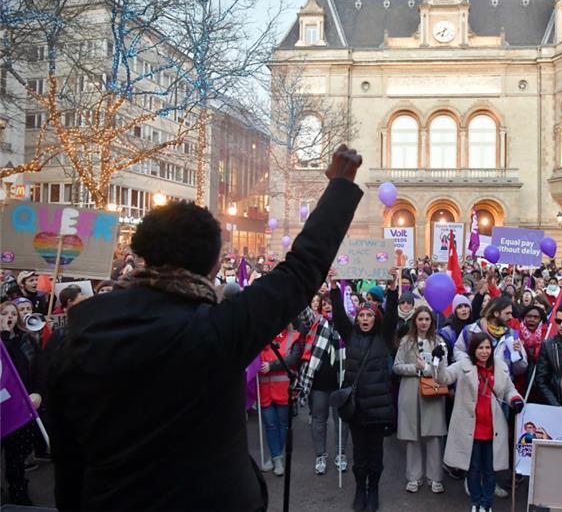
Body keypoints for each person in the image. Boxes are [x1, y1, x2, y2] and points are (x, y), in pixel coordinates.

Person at [47, 145, 363, 511]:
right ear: (214, 264)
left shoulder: (77, 331)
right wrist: (339, 186)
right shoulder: (218, 329)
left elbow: (66, 455)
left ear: (142, 252)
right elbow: (301, 269)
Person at [329, 267, 398, 512]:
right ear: (357, 319)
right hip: (356, 408)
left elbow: (391, 316)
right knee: (359, 455)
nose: (365, 320)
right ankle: (360, 489)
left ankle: (374, 490)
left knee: (375, 455)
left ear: (375, 318)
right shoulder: (350, 336)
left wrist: (393, 288)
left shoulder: (385, 337)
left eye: (369, 316)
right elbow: (338, 316)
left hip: (378, 410)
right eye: (362, 316)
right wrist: (334, 288)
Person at [432, 333, 524, 512]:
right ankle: (475, 502)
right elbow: (442, 379)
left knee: (490, 470)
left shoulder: (500, 366)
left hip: (493, 426)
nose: (484, 351)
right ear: (473, 349)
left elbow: (509, 389)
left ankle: (487, 504)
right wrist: (439, 360)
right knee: (473, 469)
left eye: (487, 347)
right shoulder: (462, 365)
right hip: (469, 427)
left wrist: (515, 399)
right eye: (480, 348)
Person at [393, 305, 448, 494]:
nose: (424, 323)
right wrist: (415, 369)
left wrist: (428, 369)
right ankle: (414, 477)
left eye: (427, 319)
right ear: (415, 321)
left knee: (433, 436)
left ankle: (435, 477)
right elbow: (397, 366)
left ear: (432, 322)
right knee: (412, 436)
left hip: (432, 391)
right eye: (420, 319)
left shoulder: (439, 341)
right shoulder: (406, 341)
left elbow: (443, 370)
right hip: (410, 392)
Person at [297, 306, 350, 476]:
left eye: (333, 303)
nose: (329, 306)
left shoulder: (346, 324)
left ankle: (340, 454)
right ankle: (320, 455)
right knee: (319, 420)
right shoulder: (317, 322)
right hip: (319, 384)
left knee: (341, 421)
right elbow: (303, 311)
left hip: (339, 383)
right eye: (325, 303)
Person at [0, 300, 43, 505]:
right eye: (4, 313)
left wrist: (37, 392)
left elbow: (33, 370)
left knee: (16, 457)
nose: (9, 317)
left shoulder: (26, 339)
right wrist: (5, 337)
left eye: (13, 314)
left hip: (20, 407)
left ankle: (19, 492)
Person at [258, 321, 303, 477]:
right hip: (264, 390)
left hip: (283, 389)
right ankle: (276, 457)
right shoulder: (260, 336)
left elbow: (293, 359)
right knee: (270, 425)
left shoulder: (294, 336)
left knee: (283, 425)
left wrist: (272, 366)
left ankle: (275, 457)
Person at [454, 296, 527, 378]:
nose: (511, 317)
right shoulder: (470, 330)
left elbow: (520, 370)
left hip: (500, 386)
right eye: (507, 313)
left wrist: (518, 354)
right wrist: (470, 365)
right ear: (496, 313)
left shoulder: (512, 335)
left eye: (511, 313)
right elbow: (458, 351)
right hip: (474, 383)